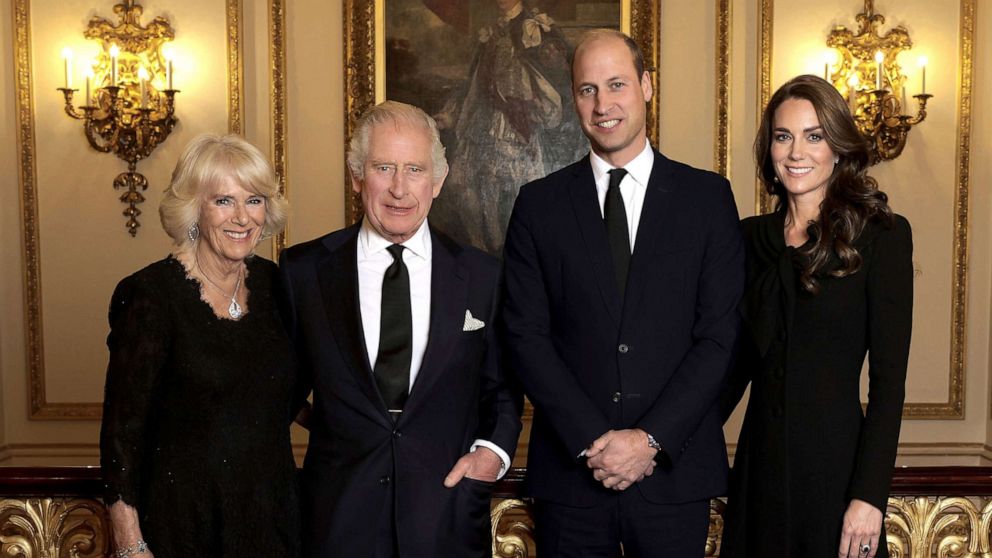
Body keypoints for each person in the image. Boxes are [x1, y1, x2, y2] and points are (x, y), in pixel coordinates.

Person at [500, 29, 745, 556]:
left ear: (647, 86)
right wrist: (597, 444)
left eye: (616, 85)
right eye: (587, 89)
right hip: (572, 479)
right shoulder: (538, 206)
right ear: (573, 99)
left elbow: (720, 337)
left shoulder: (707, 199)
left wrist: (649, 440)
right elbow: (525, 336)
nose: (603, 104)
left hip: (674, 478)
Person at [278, 100, 522, 557]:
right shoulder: (304, 271)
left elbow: (503, 389)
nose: (398, 188)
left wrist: (491, 454)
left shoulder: (482, 276)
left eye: (414, 169)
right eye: (383, 167)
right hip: (336, 518)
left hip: (445, 514)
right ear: (356, 177)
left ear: (438, 181)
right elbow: (277, 393)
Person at [720, 74, 913, 558]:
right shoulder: (747, 240)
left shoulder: (882, 235)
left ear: (838, 146)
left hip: (837, 478)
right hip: (758, 474)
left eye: (814, 136)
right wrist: (662, 443)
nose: (795, 152)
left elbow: (889, 386)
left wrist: (869, 496)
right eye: (783, 137)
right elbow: (730, 368)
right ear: (769, 148)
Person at [100, 134, 299, 557]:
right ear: (194, 209)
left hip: (272, 519)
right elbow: (122, 434)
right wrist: (130, 543)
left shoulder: (278, 286)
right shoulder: (150, 295)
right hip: (181, 523)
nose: (242, 217)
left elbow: (284, 392)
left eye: (255, 200)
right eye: (224, 201)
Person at [431, 0, 587, 254]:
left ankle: (512, 252)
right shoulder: (491, 33)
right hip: (483, 121)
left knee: (515, 190)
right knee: (462, 181)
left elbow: (559, 75)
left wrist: (532, 98)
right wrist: (451, 114)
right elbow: (474, 83)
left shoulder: (534, 28)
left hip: (517, 123)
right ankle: (484, 252)